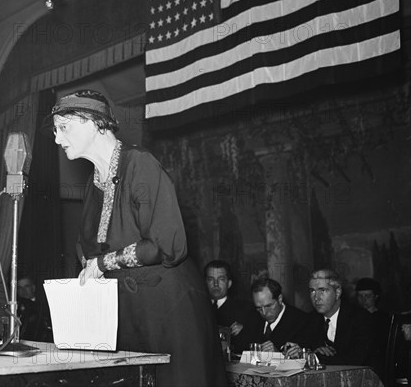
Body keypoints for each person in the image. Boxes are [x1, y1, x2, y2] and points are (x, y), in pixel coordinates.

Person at [47, 89, 227, 387]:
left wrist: (103, 263)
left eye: (63, 127)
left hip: (169, 312)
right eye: (55, 130)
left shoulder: (140, 164)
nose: (57, 139)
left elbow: (167, 245)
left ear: (94, 122)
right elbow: (87, 250)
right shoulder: (93, 185)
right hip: (128, 315)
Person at [306, 269, 374, 365]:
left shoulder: (360, 318)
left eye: (323, 290)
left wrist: (318, 357)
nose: (316, 297)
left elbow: (356, 359)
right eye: (312, 291)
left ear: (337, 292)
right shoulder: (310, 319)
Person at [240, 277, 310, 354]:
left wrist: (278, 355)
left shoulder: (302, 322)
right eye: (259, 308)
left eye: (268, 306)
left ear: (279, 299)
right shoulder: (252, 317)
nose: (264, 313)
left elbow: (305, 359)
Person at [204, 260, 254, 352]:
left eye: (221, 279)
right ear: (204, 283)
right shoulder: (197, 309)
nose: (215, 284)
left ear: (229, 283)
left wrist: (244, 332)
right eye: (211, 279)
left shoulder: (247, 310)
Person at [355, 277, 391, 381]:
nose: (364, 299)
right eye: (360, 296)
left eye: (367, 295)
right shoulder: (353, 317)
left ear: (376, 296)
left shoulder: (383, 317)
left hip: (378, 365)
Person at [16, 275, 53, 342]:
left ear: (33, 288)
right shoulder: (14, 308)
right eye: (20, 288)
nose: (23, 290)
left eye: (26, 286)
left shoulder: (44, 308)